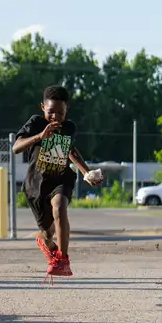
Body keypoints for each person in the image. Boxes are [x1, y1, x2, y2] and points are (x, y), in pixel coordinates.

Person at [13, 85, 103, 281]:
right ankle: (47, 244)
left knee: (59, 206)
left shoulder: (69, 128)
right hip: (37, 184)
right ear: (43, 107)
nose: (55, 116)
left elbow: (71, 150)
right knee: (47, 232)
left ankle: (63, 259)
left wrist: (87, 173)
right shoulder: (36, 123)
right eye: (51, 111)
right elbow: (16, 148)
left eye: (60, 113)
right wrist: (39, 136)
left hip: (61, 179)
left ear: (66, 110)